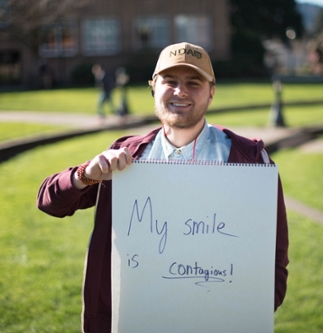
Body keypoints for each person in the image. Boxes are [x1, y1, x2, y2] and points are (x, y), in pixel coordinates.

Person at [37, 42, 289, 333]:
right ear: (153, 88)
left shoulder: (250, 160)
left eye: (193, 83)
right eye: (170, 81)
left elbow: (274, 258)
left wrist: (242, 308)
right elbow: (50, 201)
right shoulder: (125, 157)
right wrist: (86, 174)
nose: (180, 92)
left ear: (211, 92)